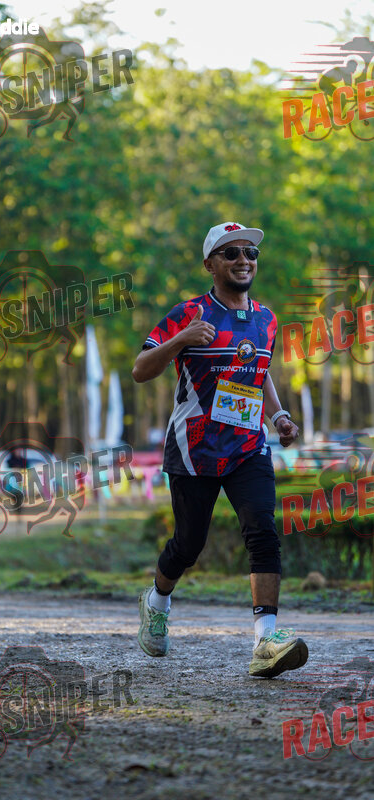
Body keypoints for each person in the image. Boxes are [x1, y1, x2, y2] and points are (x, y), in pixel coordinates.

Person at [132, 222, 308, 678]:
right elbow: (140, 369)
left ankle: (265, 641)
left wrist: (278, 416)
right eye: (231, 253)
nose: (243, 260)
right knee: (189, 544)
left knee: (262, 530)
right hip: (194, 449)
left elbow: (260, 372)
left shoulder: (267, 319)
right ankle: (157, 600)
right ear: (210, 264)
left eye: (250, 252)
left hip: (248, 446)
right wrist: (181, 340)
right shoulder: (188, 313)